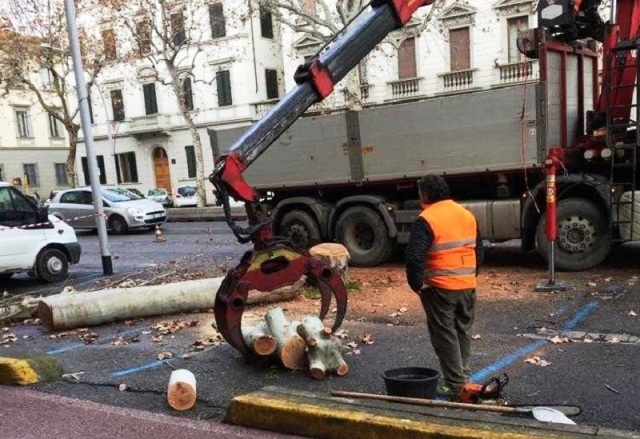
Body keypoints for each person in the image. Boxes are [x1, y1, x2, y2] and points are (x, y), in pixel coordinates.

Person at [405, 174, 484, 399]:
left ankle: (456, 387)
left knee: (444, 336)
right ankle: (463, 379)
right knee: (462, 332)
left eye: (420, 193)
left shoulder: (427, 218)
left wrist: (417, 285)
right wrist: (471, 275)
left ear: (426, 194)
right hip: (467, 285)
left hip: (439, 288)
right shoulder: (466, 214)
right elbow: (478, 249)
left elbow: (414, 257)